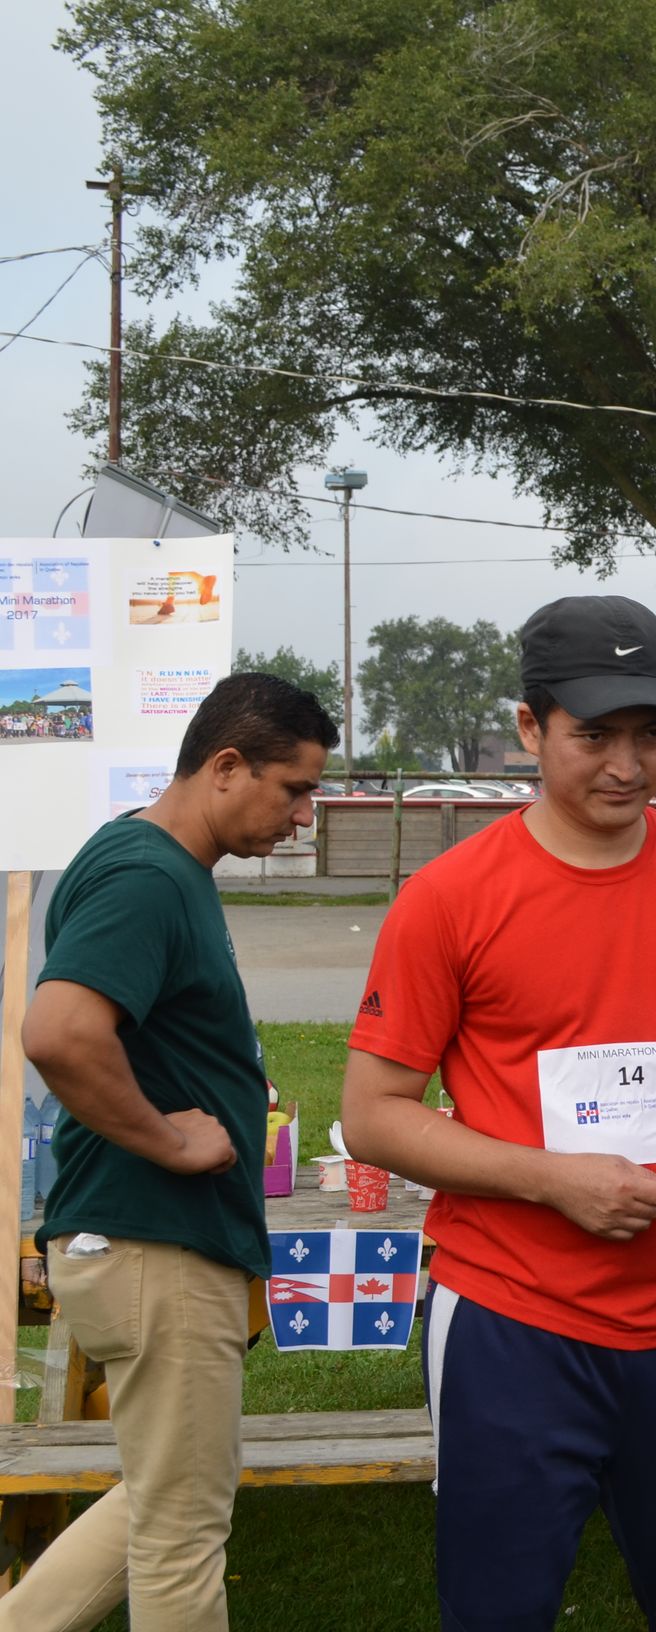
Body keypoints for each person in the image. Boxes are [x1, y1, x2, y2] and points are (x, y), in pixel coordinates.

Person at [341, 595, 656, 1632]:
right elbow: (373, 1115)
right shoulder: (451, 897)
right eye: (594, 735)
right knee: (500, 1607)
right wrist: (555, 1180)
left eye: (652, 734)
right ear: (529, 728)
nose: (628, 765)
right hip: (511, 1319)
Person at [9, 674, 335, 1632]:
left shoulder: (147, 858)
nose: (304, 817)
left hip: (144, 1242)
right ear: (225, 766)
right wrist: (170, 1139)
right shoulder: (149, 875)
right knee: (184, 1533)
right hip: (157, 1242)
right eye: (294, 789)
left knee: (163, 1499)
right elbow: (59, 1033)